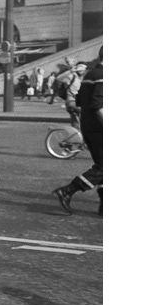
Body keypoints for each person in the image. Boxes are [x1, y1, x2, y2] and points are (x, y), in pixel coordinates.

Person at [53, 48, 103, 215]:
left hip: (88, 126)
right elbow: (98, 105)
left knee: (102, 167)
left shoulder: (90, 75)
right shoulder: (102, 75)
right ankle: (67, 191)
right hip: (99, 128)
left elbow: (80, 100)